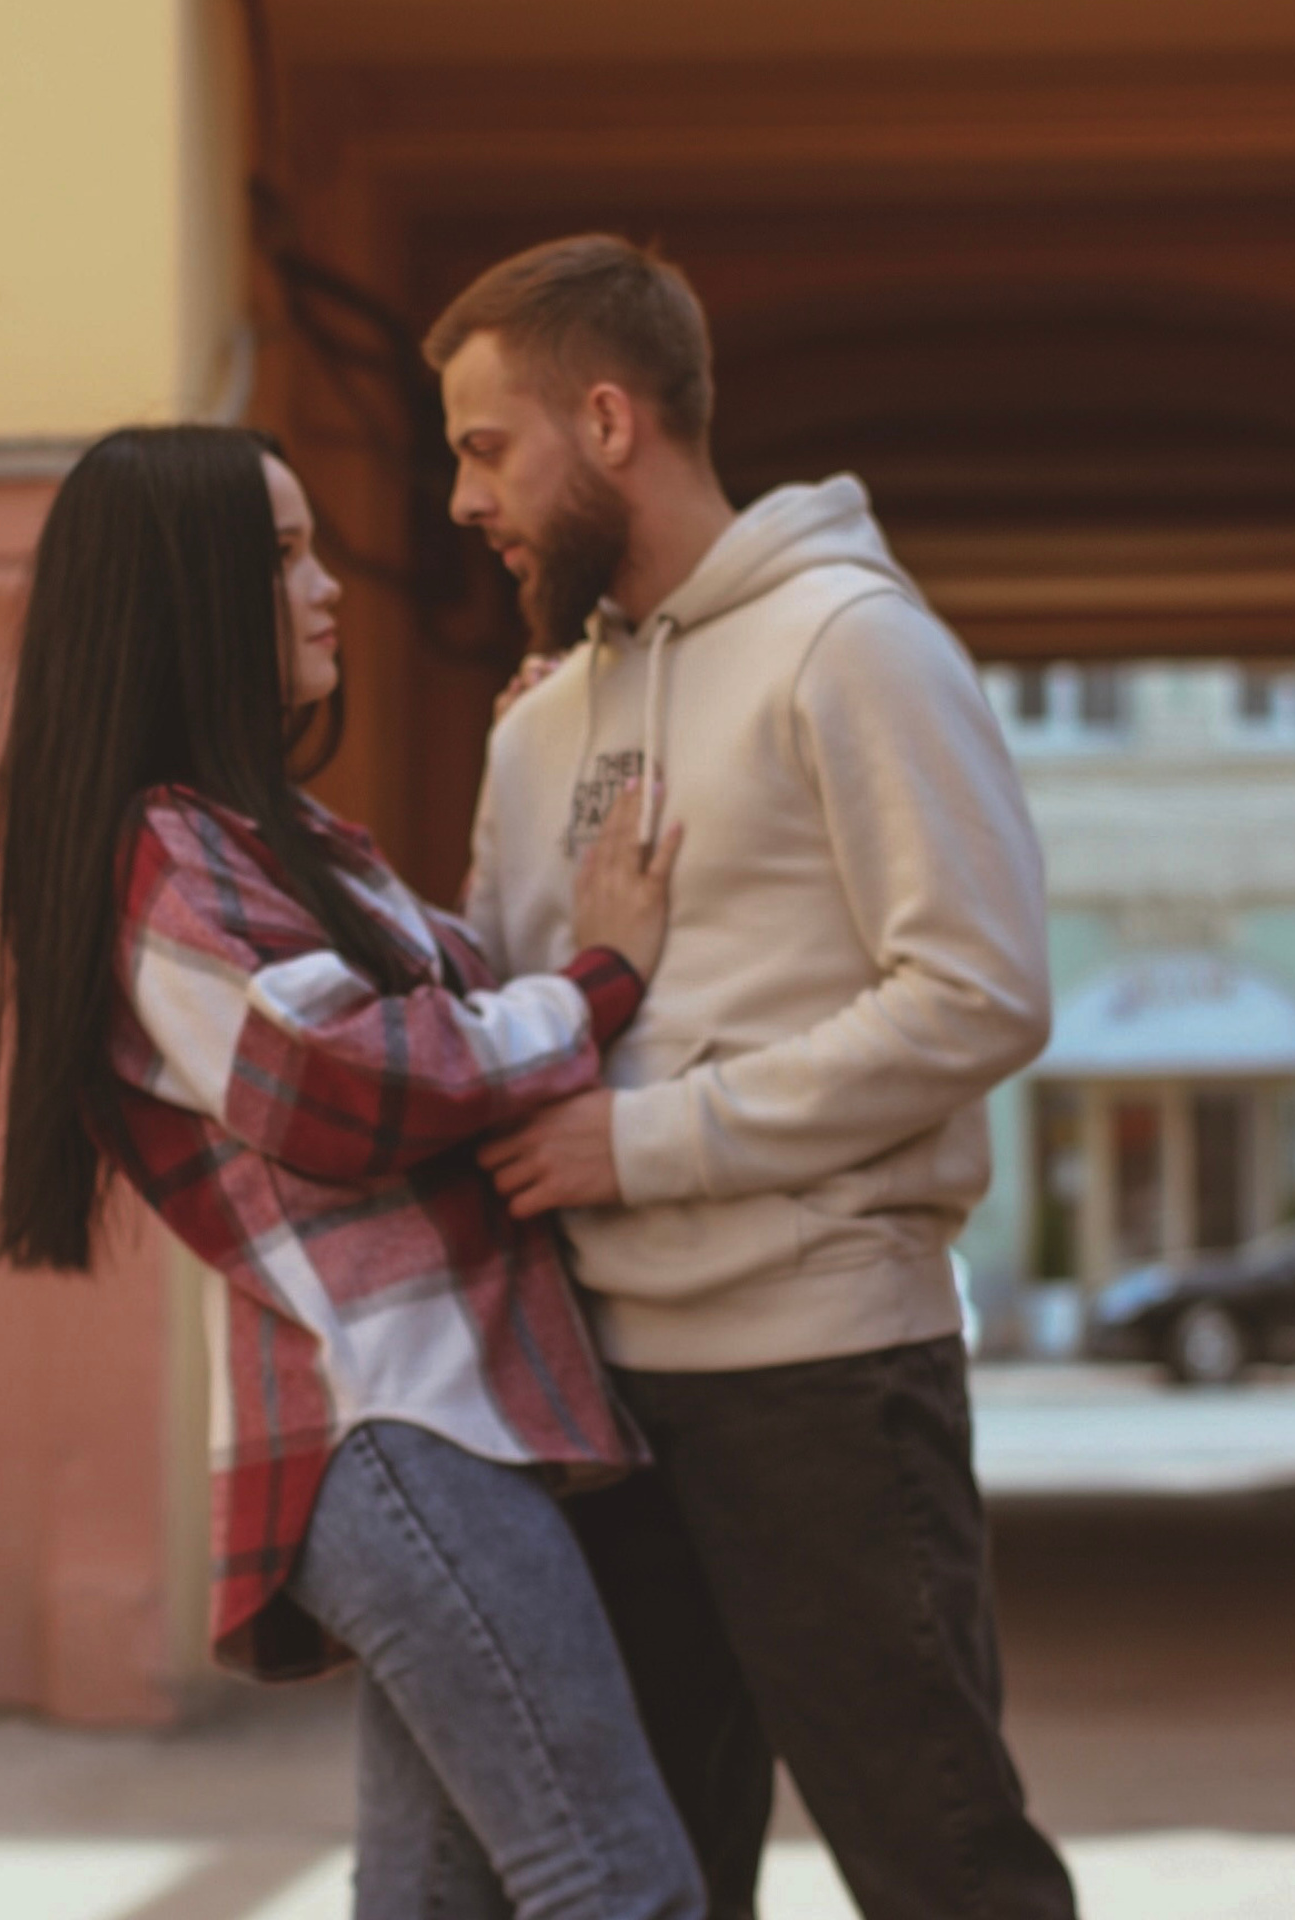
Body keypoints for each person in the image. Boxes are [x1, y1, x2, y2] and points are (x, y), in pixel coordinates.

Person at [428, 236, 1079, 1920]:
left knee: (942, 1863)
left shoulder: (847, 645)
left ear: (609, 418)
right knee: (642, 1886)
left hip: (824, 1376)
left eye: (485, 448)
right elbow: (513, 1031)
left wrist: (647, 1146)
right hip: (597, 1399)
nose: (457, 499)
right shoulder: (534, 726)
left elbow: (982, 992)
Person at [0, 423, 702, 1920]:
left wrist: (549, 774)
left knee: (439, 1898)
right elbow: (346, 1081)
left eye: (314, 549)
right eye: (281, 557)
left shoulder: (284, 840)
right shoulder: (166, 857)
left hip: (445, 1417)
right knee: (617, 1878)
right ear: (179, 600)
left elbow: (448, 1026)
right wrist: (601, 980)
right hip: (395, 1421)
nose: (329, 591)